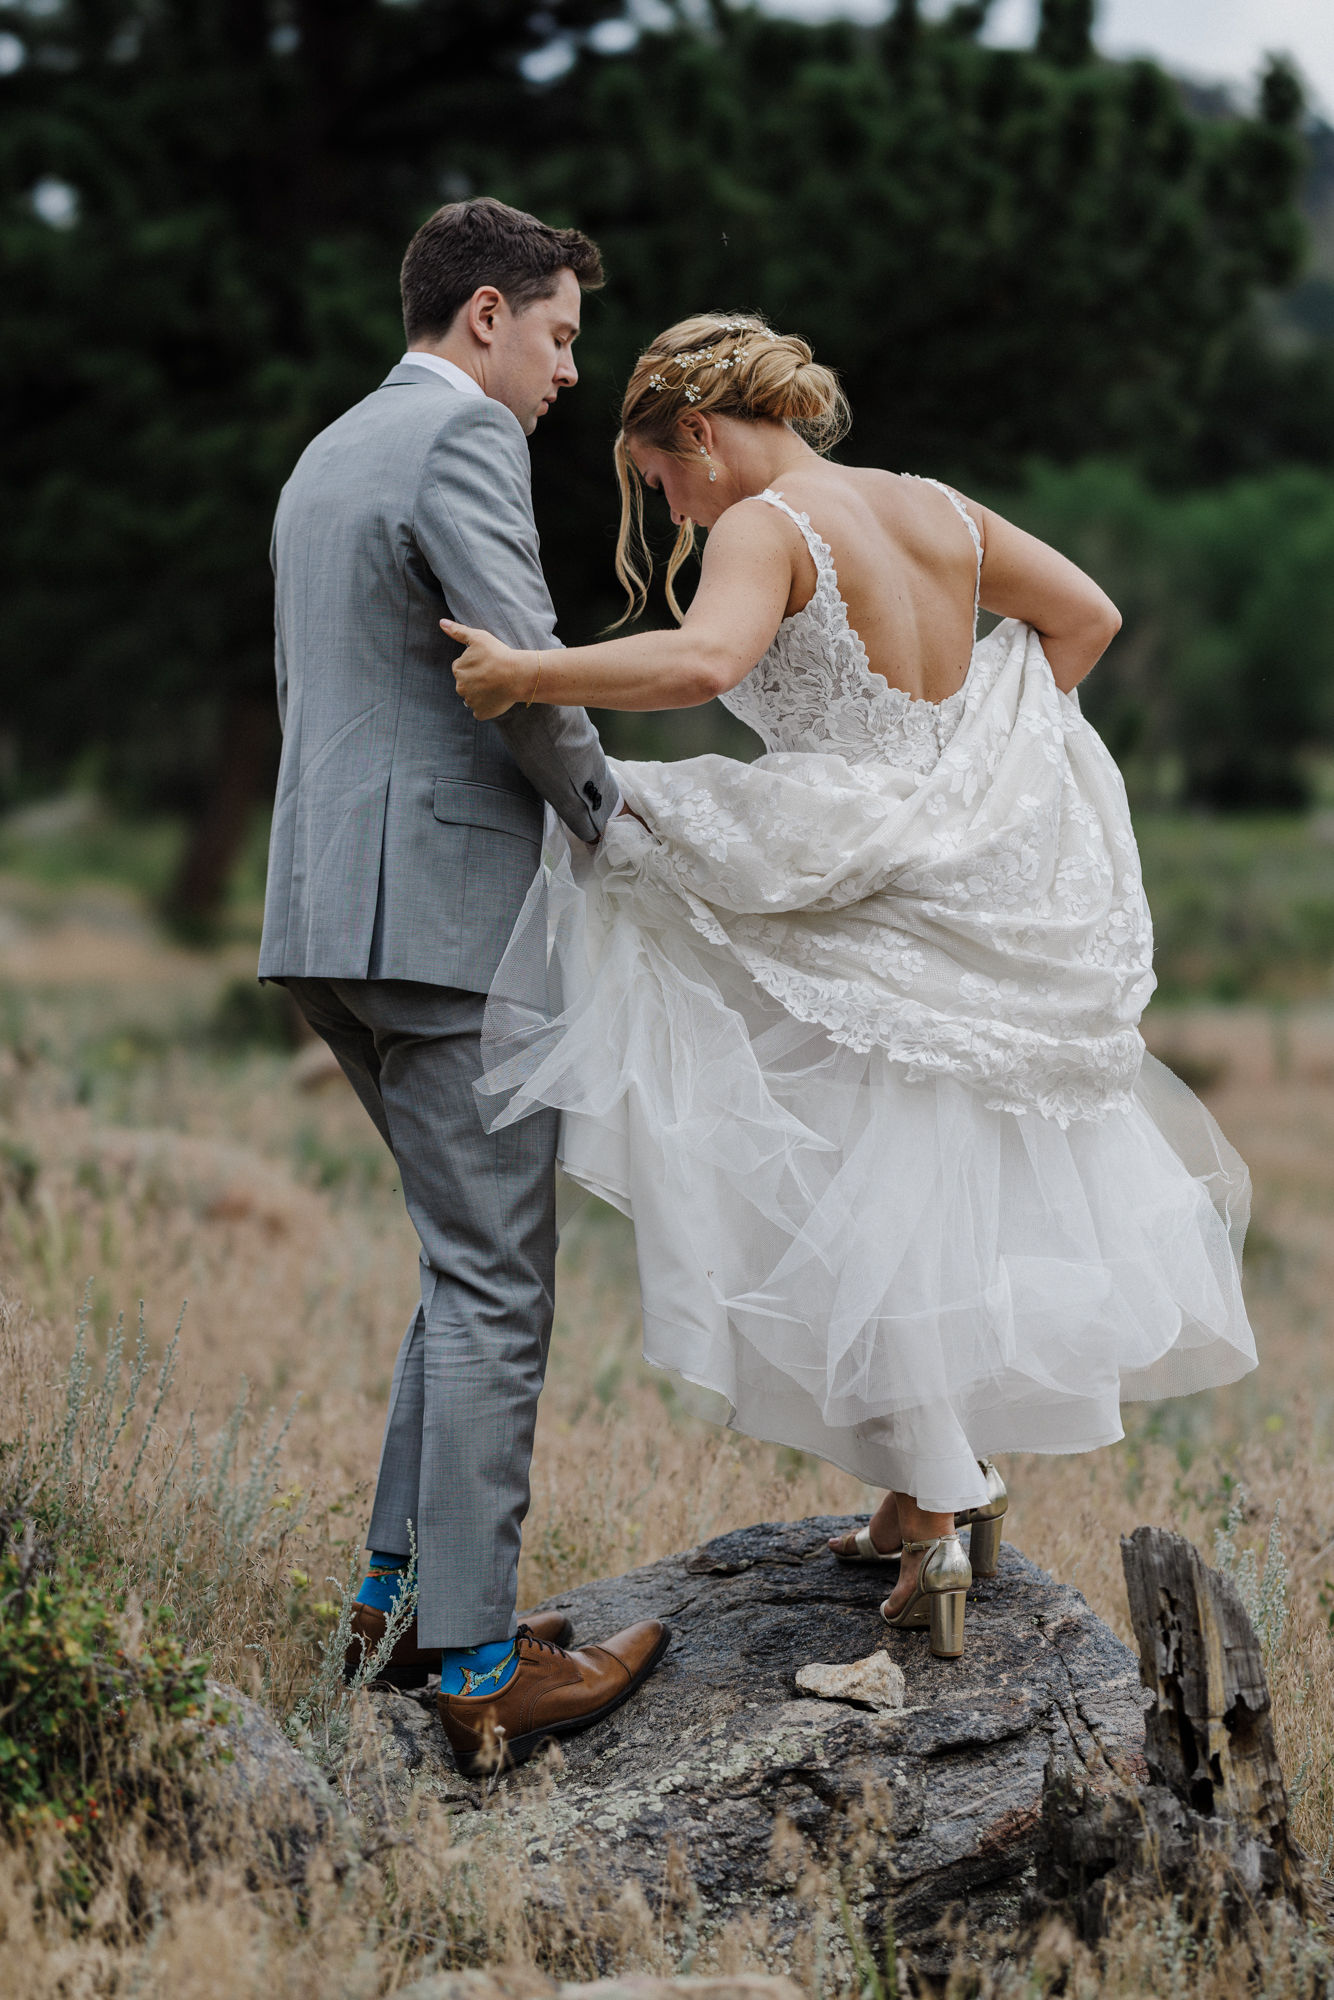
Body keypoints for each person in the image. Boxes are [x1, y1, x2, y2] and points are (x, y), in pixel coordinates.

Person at [445, 313, 1257, 1663]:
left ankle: (935, 1515)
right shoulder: (935, 507)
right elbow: (1087, 621)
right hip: (953, 880)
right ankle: (926, 1493)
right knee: (930, 1179)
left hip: (848, 865)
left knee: (828, 1163)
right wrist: (973, 774)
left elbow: (702, 666)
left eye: (659, 480)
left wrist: (528, 671)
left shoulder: (763, 523)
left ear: (695, 434)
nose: (671, 506)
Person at [259, 197, 669, 1777]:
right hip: (436, 926)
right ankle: (480, 1668)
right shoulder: (458, 444)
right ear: (484, 314)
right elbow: (523, 659)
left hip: (323, 922)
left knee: (456, 1265)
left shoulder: (325, 451)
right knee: (501, 1281)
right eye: (563, 335)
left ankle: (393, 1605)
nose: (571, 371)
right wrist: (614, 823)